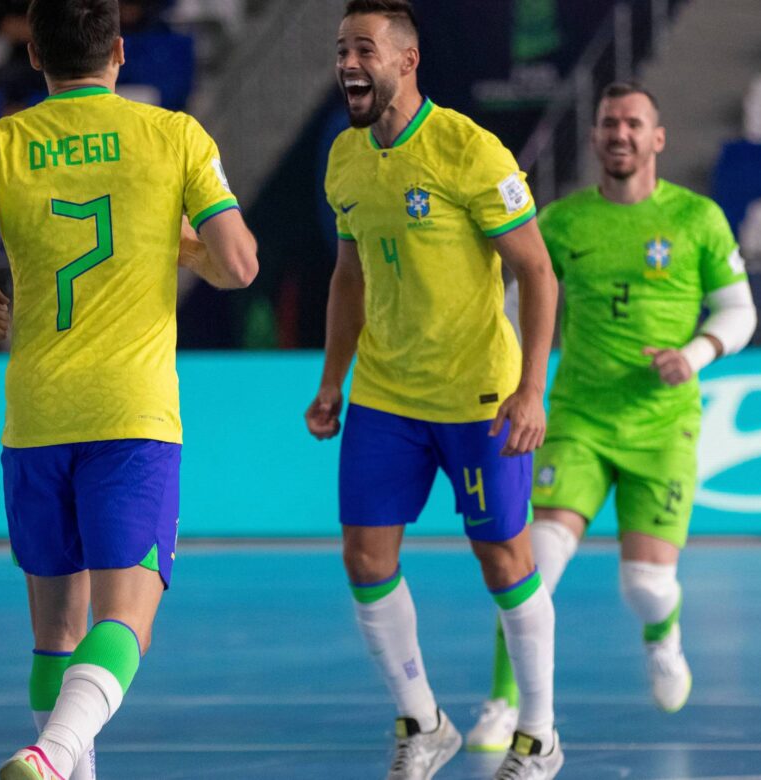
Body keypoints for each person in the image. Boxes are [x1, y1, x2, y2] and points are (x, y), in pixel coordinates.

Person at [0, 1, 258, 778]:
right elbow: (238, 264)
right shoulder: (173, 135)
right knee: (127, 623)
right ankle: (53, 752)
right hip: (131, 414)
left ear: (35, 55)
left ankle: (64, 761)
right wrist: (183, 246)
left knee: (54, 634)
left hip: (37, 416)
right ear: (118, 51)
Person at [305, 2, 562, 777]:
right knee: (364, 558)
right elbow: (348, 275)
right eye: (342, 47)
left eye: (365, 49)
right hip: (386, 394)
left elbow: (536, 272)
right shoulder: (344, 160)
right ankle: (423, 723)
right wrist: (331, 380)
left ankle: (540, 733)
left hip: (478, 397)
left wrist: (531, 389)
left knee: (505, 562)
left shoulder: (469, 151)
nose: (349, 61)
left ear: (407, 61)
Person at [466, 81, 758, 752]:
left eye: (633, 123)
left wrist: (696, 352)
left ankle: (664, 633)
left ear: (657, 138)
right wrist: (512, 380)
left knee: (647, 586)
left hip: (662, 424)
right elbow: (518, 305)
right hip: (577, 419)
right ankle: (503, 705)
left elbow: (739, 310)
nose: (619, 133)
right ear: (595, 137)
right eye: (608, 124)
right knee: (529, 566)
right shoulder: (565, 222)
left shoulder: (697, 219)